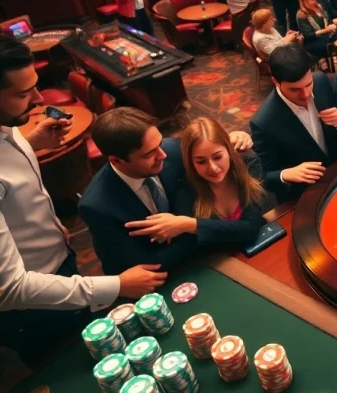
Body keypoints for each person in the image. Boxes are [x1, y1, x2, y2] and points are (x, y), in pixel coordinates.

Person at [0, 31, 166, 360]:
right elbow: (9, 289)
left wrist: (32, 143)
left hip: (55, 268)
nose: (39, 98)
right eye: (24, 93)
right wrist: (116, 286)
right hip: (29, 311)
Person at [79, 108, 255, 276]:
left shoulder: (172, 150)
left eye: (159, 143)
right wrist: (194, 231)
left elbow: (210, 148)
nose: (163, 155)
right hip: (159, 279)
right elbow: (145, 268)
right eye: (149, 154)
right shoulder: (97, 206)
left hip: (207, 259)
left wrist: (236, 139)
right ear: (117, 161)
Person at [136, 117, 273, 249]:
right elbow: (198, 247)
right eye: (201, 161)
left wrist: (190, 224)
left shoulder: (249, 163)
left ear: (229, 150)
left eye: (218, 156)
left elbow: (251, 227)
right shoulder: (185, 190)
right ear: (191, 163)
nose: (213, 168)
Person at [250, 42, 337, 201]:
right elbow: (262, 178)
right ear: (275, 81)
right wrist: (285, 174)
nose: (305, 94)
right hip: (303, 195)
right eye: (294, 89)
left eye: (308, 84)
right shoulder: (263, 122)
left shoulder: (322, 82)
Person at [296, 0, 337, 65]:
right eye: (310, 0)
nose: (313, 1)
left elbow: (328, 20)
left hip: (326, 34)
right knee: (333, 42)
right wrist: (326, 30)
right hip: (313, 41)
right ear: (303, 1)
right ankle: (331, 63)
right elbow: (308, 35)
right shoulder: (301, 15)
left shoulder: (318, 7)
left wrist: (333, 22)